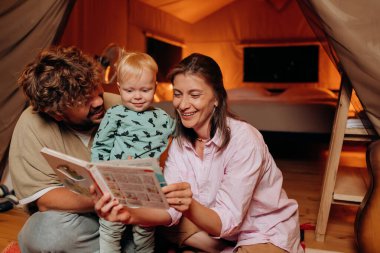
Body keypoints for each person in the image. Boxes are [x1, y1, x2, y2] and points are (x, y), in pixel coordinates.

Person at [94, 53, 304, 253]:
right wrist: (129, 214)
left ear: (217, 98)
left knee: (169, 230)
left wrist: (188, 206)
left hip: (260, 231)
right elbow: (170, 210)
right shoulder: (180, 141)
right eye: (177, 94)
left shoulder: (245, 139)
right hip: (213, 229)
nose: (183, 105)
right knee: (161, 226)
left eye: (194, 95)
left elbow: (227, 220)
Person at [9, 46, 123, 253]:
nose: (98, 101)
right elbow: (46, 200)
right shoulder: (31, 125)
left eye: (96, 89)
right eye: (84, 100)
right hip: (82, 220)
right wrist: (103, 200)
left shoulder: (122, 108)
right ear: (57, 113)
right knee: (45, 233)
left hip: (130, 218)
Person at [91, 51, 174, 253]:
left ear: (154, 86)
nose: (137, 96)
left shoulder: (163, 118)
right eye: (129, 91)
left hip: (148, 185)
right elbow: (101, 145)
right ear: (119, 88)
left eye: (145, 90)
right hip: (116, 183)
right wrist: (98, 176)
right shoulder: (115, 114)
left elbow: (180, 141)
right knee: (111, 229)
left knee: (145, 232)